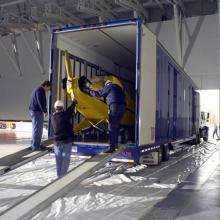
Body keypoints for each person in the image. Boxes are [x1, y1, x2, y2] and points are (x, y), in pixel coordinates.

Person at [87, 80, 126, 153]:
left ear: (107, 84)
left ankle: (112, 148)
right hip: (122, 107)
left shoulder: (109, 86)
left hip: (115, 106)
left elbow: (99, 94)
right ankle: (116, 144)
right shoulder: (118, 87)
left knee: (111, 126)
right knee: (116, 126)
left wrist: (89, 91)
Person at [51, 93, 76, 177]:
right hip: (66, 140)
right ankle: (62, 176)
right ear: (62, 108)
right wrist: (74, 101)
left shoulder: (53, 117)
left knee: (58, 160)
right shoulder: (65, 115)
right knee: (65, 159)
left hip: (56, 142)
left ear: (55, 108)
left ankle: (59, 176)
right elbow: (71, 109)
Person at [29, 80, 51, 150]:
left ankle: (34, 144)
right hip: (37, 112)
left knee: (35, 128)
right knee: (38, 129)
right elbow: (40, 101)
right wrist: (44, 111)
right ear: (46, 86)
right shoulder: (40, 91)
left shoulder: (37, 89)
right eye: (48, 88)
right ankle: (36, 146)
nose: (48, 90)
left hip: (34, 111)